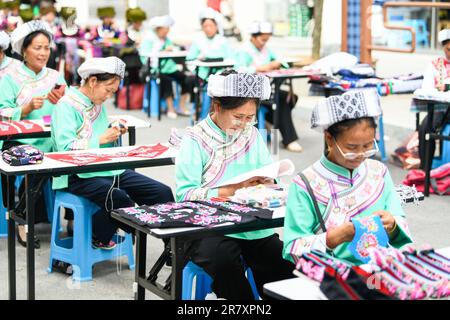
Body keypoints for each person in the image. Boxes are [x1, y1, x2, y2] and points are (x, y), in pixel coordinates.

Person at [175, 69, 295, 300]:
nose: (244, 124)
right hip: (209, 228)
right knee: (226, 265)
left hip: (251, 224)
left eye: (250, 117)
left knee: (283, 264)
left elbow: (269, 174)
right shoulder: (194, 139)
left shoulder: (252, 134)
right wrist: (231, 190)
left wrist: (268, 182)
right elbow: (184, 196)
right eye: (238, 117)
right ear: (217, 106)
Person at [51, 56, 174, 249]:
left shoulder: (96, 103)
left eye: (113, 92)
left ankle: (173, 249)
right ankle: (96, 235)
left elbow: (97, 133)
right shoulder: (66, 106)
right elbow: (65, 148)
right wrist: (102, 139)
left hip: (107, 167)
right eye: (108, 90)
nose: (109, 96)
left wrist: (114, 128)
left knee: (161, 192)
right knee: (119, 198)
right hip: (76, 174)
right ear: (92, 81)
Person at [283, 89, 413, 265]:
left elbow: (398, 219)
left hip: (381, 268)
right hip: (332, 277)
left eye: (367, 145)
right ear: (329, 138)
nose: (360, 154)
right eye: (351, 147)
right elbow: (292, 247)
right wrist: (334, 237)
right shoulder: (305, 184)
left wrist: (393, 225)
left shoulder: (378, 171)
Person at [0, 20, 67, 248]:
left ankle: (72, 219)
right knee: (37, 163)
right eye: (37, 48)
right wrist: (25, 109)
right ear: (24, 50)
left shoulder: (55, 76)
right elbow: (2, 113)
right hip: (19, 140)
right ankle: (22, 219)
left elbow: (71, 108)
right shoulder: (9, 77)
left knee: (77, 160)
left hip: (52, 139)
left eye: (46, 48)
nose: (43, 53)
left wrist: (64, 102)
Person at [235, 21, 302, 152]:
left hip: (266, 89)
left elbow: (280, 61)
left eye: (267, 40)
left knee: (290, 97)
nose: (264, 43)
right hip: (249, 92)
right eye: (262, 39)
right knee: (281, 100)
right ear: (253, 37)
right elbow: (239, 71)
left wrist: (279, 63)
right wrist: (261, 68)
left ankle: (271, 122)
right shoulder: (244, 51)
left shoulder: (266, 50)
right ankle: (289, 139)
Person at [140, 15, 194, 119]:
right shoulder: (149, 40)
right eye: (166, 29)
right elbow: (145, 57)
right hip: (155, 70)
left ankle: (181, 106)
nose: (167, 31)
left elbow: (172, 50)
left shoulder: (166, 39)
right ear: (158, 29)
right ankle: (170, 108)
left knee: (188, 79)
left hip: (169, 68)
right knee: (166, 81)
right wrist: (162, 51)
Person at [418, 29, 450, 169]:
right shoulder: (435, 65)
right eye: (448, 49)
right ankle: (425, 171)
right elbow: (427, 88)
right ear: (443, 48)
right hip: (442, 109)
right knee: (425, 127)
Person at [186, 7, 232, 81]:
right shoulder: (198, 41)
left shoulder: (223, 41)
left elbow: (231, 59)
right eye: (205, 26)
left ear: (216, 26)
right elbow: (189, 59)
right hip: (202, 76)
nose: (208, 29)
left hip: (221, 76)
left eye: (210, 26)